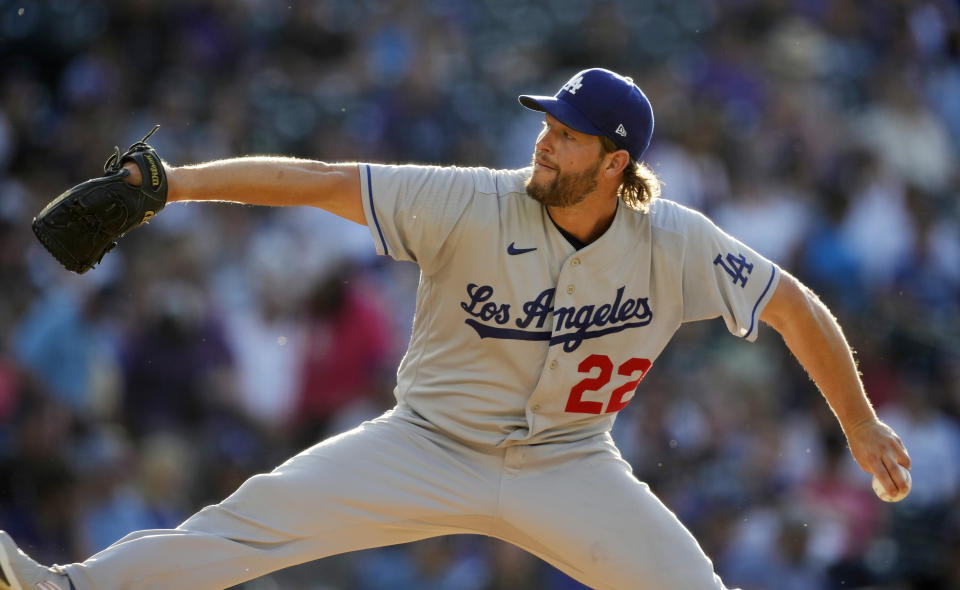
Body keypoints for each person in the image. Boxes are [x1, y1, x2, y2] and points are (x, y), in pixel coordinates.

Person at [0, 68, 911, 590]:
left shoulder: (674, 241)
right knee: (250, 524)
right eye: (548, 123)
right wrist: (176, 184)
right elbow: (322, 180)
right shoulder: (472, 202)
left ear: (615, 160)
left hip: (569, 462)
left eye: (568, 132)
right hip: (427, 444)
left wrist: (859, 423)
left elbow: (793, 304)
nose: (546, 140)